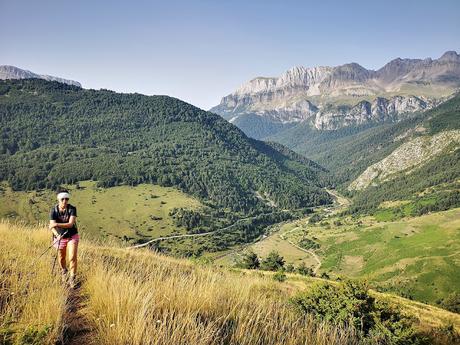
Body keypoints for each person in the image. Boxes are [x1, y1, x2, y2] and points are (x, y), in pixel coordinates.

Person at [49, 189, 79, 287]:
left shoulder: (72, 209)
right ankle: (64, 271)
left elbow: (70, 224)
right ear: (59, 199)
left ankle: (72, 278)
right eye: (62, 199)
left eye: (66, 199)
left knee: (72, 257)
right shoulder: (54, 210)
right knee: (61, 258)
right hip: (59, 237)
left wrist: (57, 224)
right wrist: (57, 235)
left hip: (72, 236)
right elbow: (51, 227)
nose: (65, 201)